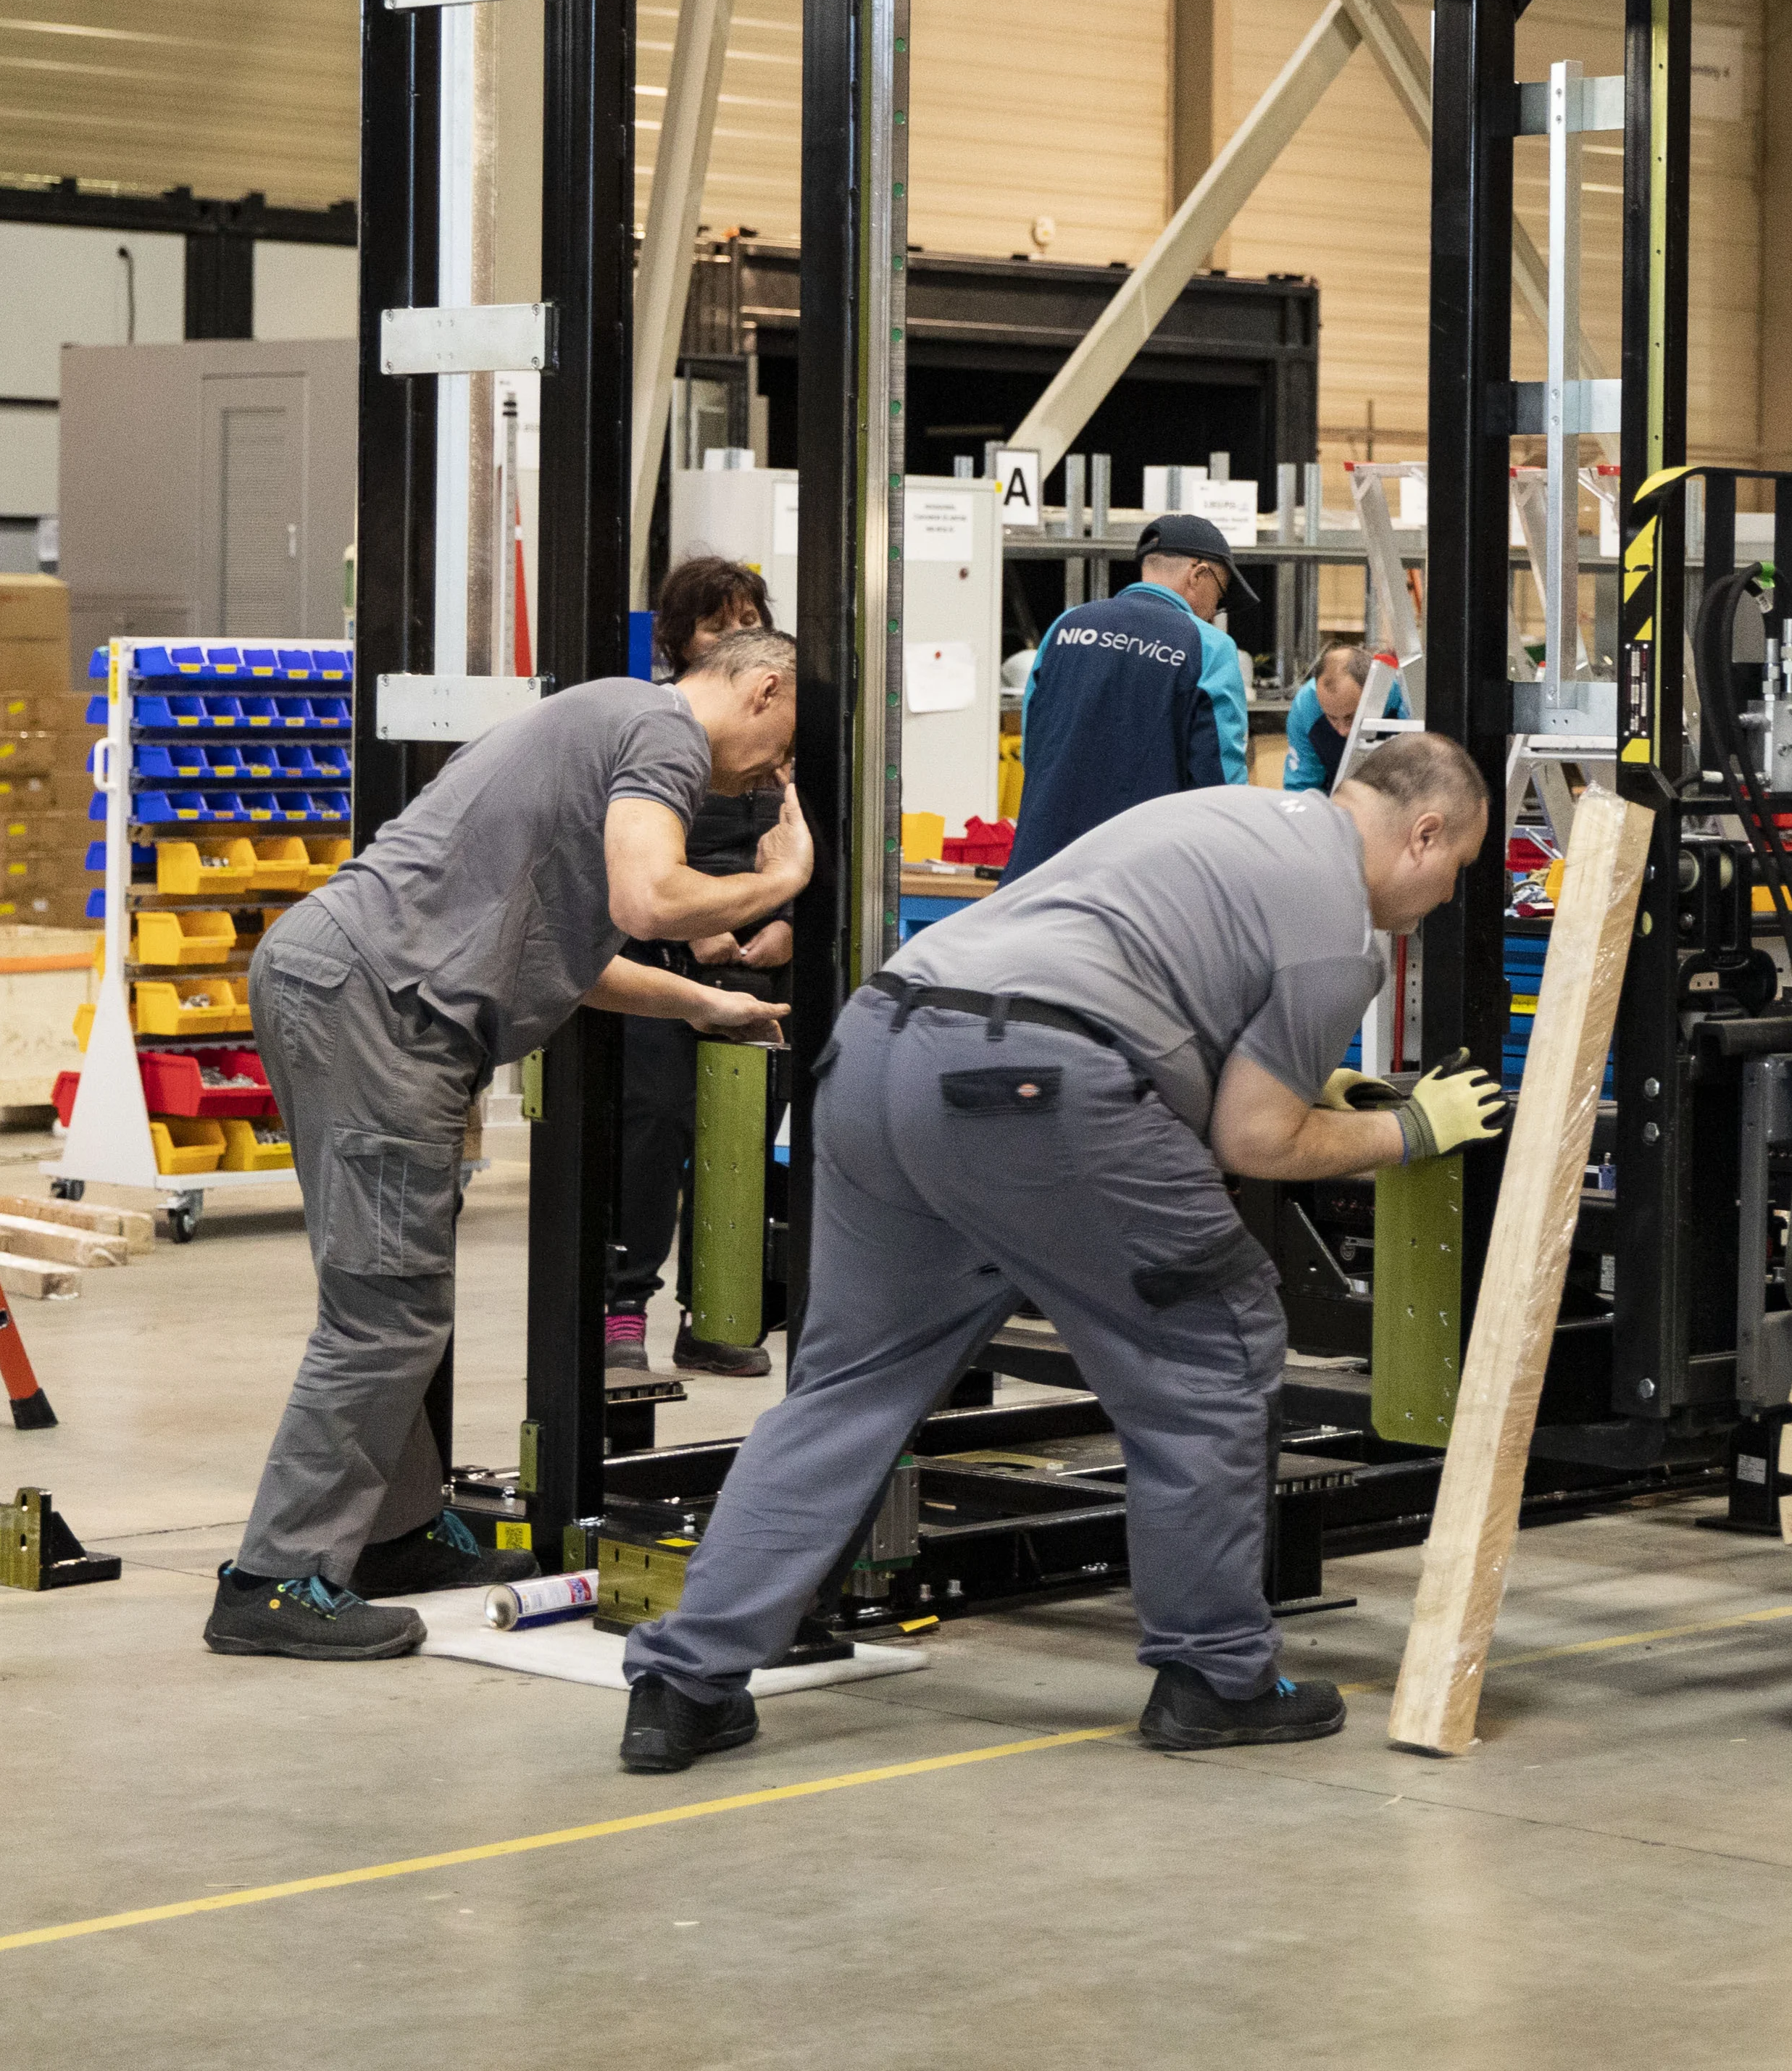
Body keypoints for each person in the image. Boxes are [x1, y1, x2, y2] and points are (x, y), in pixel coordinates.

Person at [614, 736, 1502, 1774]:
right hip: (1033, 1088)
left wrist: (1312, 1092)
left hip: (877, 1052)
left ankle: (683, 1686)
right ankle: (1217, 1677)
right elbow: (1254, 1141)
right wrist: (1413, 1131)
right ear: (1423, 832)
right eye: (1457, 868)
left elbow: (1151, 978)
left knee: (847, 1390)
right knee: (1215, 1346)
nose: (1447, 896)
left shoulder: (1234, 813)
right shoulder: (1338, 930)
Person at [207, 634, 809, 1663]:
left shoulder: (606, 717)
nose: (772, 778)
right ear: (765, 688)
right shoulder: (662, 735)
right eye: (783, 752)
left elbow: (564, 956)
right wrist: (779, 877)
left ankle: (390, 1539)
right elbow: (649, 901)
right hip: (379, 1005)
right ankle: (269, 1580)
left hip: (348, 981)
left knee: (389, 1300)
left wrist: (704, 1000)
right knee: (385, 1309)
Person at [610, 554, 793, 1379]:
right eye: (719, 622)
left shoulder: (781, 736)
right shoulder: (655, 731)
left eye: (749, 619)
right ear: (681, 635)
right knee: (653, 1126)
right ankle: (622, 1310)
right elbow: (644, 875)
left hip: (758, 963)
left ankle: (719, 1312)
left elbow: (801, 843)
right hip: (654, 963)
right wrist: (702, 931)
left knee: (741, 1137)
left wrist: (781, 920)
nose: (737, 635)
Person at [1007, 512, 1247, 881]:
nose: (1215, 610)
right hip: (1140, 883)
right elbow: (1220, 786)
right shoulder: (1210, 647)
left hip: (1041, 869)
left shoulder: (1066, 626)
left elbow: (1034, 746)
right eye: (1221, 593)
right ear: (1198, 574)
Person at [1280, 643, 1406, 793]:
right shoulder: (1306, 706)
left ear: (1372, 693)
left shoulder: (1402, 696)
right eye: (1332, 718)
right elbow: (1302, 787)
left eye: (1350, 717)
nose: (1342, 731)